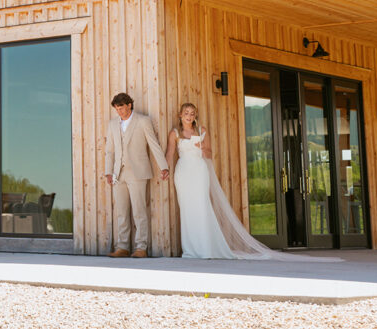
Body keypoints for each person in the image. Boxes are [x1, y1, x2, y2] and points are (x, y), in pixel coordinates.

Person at [165, 102, 312, 260]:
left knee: (202, 207)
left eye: (192, 113)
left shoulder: (202, 130)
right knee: (187, 210)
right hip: (183, 173)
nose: (189, 116)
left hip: (200, 172)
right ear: (180, 115)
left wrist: (202, 148)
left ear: (195, 116)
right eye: (186, 113)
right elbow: (169, 153)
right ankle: (191, 250)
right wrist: (164, 168)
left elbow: (209, 153)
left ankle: (205, 248)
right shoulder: (175, 133)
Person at [103, 92, 169, 258]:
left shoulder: (142, 121)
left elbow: (154, 145)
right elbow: (109, 150)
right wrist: (108, 172)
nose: (120, 112)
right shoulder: (112, 124)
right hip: (118, 173)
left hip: (138, 172)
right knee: (121, 211)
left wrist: (163, 166)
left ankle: (141, 248)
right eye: (117, 109)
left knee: (139, 211)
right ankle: (122, 247)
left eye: (122, 107)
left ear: (129, 105)